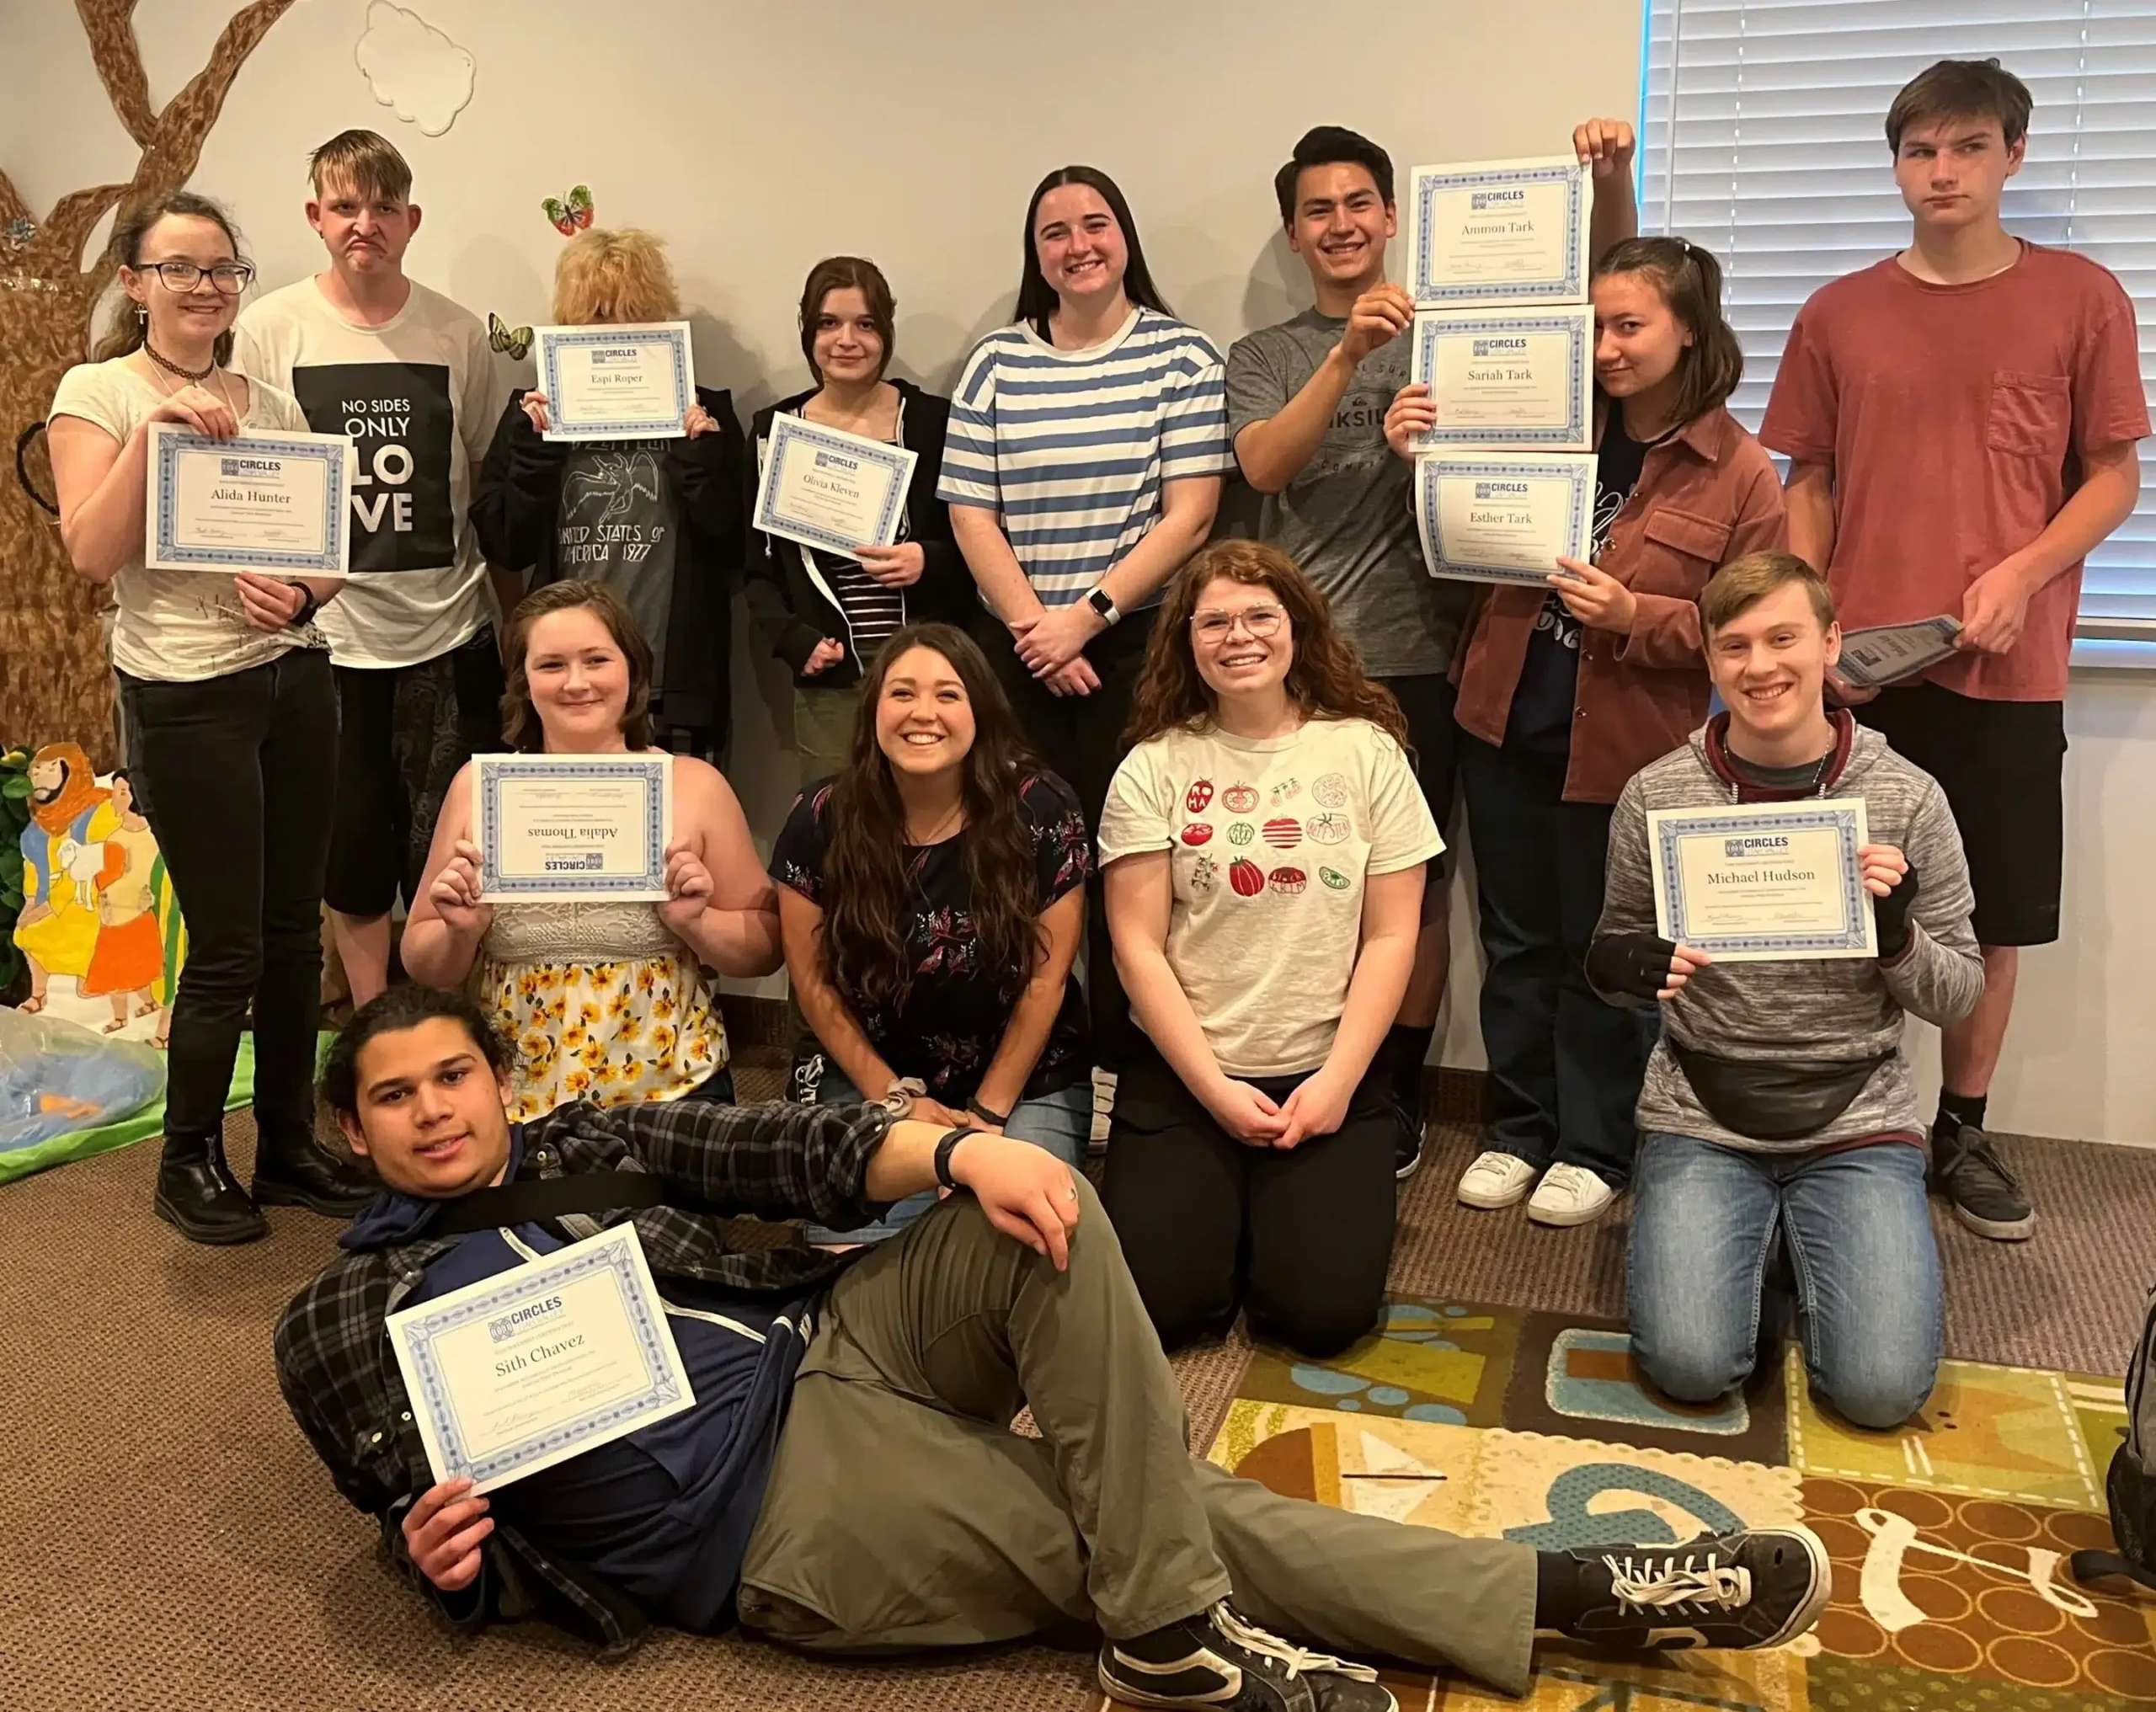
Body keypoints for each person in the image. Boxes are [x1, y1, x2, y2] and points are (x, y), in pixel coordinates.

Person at [276, 981, 1830, 1710]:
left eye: (455, 1074)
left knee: (1052, 1200)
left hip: (832, 1342)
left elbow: (779, 1154)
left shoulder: (584, 1133)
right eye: (396, 1095)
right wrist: (438, 1554)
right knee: (1149, 1509)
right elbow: (411, 1506)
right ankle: (1550, 1594)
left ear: (495, 1073)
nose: (436, 1109)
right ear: (353, 1129)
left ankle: (1170, 1631)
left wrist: (959, 1158)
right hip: (768, 1518)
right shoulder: (338, 1319)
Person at [1758, 58, 2148, 1242]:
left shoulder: (2083, 298)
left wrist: (2025, 573)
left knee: (1992, 919)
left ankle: (1962, 1128)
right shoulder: (1837, 312)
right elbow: (1807, 481)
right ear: (1898, 163)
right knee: (1834, 900)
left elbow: (2114, 475)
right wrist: (1812, 617)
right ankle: (1838, 1114)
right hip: (1860, 676)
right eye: (1921, 150)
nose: (1943, 171)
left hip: (2008, 675)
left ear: (2011, 157)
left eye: (1968, 147)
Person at [1225, 120, 1642, 1178]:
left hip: (1428, 659)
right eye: (1317, 209)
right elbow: (1267, 467)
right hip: (1297, 668)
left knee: (1413, 891)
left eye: (1358, 203)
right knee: (1300, 878)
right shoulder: (1268, 354)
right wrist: (1348, 357)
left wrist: (1609, 183)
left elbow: (1593, 309)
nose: (1340, 224)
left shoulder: (1460, 327)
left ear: (1392, 217)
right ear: (1292, 231)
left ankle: (1396, 1092)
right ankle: (1301, 1072)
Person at [1388, 232, 1787, 1229]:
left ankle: (1595, 1143)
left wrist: (1636, 618)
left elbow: (1750, 632)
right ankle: (1518, 1128)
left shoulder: (1738, 472)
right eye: (1595, 325)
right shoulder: (1548, 422)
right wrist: (1422, 461)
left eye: (1629, 325)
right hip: (1502, 722)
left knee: (1604, 952)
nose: (1606, 347)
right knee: (1515, 942)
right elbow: (1459, 535)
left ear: (1689, 329)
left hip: (1629, 754)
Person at [1588, 553, 1982, 1428]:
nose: (1759, 666)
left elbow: (1958, 993)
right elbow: (1609, 953)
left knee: (1879, 1393)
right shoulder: (1657, 794)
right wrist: (1618, 968)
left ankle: (1784, 1240)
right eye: (1734, 646)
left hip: (1856, 1118)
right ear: (1708, 658)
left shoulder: (1908, 798)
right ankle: (1761, 1244)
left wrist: (1897, 938)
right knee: (1692, 1366)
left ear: (1831, 641)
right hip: (1701, 1107)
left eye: (1782, 638)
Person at [47, 189, 369, 1244]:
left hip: (294, 678)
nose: (204, 287)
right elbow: (92, 552)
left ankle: (284, 1144)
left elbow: (325, 550)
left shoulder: (270, 399)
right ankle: (186, 1158)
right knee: (227, 943)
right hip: (184, 692)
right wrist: (157, 434)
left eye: (222, 269)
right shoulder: (97, 391)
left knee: (290, 932)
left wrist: (306, 594)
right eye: (179, 268)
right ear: (134, 283)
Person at [1096, 542, 1438, 1358]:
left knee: (1322, 1315)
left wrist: (1339, 1081)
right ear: (1185, 640)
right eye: (1212, 621)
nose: (1237, 636)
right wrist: (1213, 1089)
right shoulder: (1153, 765)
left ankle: (1265, 1217)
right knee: (1160, 1308)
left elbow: (1393, 935)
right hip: (1188, 1074)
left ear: (1298, 629)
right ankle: (1224, 1213)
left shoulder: (1367, 751)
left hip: (1326, 1074)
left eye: (1259, 616)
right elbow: (1135, 947)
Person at [941, 167, 1234, 1064]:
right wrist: (1039, 629)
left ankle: (1115, 1061)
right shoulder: (996, 362)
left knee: (1130, 863)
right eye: (1054, 233)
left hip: (1137, 646)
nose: (1078, 246)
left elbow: (1190, 511)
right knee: (1011, 860)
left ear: (1125, 236)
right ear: (1036, 256)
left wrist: (1089, 617)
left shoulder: (1181, 357)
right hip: (1019, 649)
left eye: (1094, 224)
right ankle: (1021, 1057)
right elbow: (969, 510)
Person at [232, 129, 507, 1010]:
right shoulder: (270, 328)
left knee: (450, 850)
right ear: (315, 217)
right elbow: (253, 477)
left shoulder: (459, 332)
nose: (365, 224)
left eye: (383, 206)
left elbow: (481, 475)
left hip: (447, 629)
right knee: (346, 854)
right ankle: (373, 1013)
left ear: (411, 219)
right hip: (327, 643)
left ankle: (446, 1016)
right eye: (345, 206)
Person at [400, 582, 779, 1119]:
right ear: (523, 682)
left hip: (672, 1082)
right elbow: (423, 963)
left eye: (597, 660)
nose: (577, 683)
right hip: (513, 1091)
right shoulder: (479, 788)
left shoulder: (694, 785)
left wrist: (697, 924)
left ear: (632, 670)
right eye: (551, 665)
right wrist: (461, 931)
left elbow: (765, 948)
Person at [770, 623, 1091, 1244]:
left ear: (980, 710)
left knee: (1021, 1234)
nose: (924, 713)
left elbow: (1047, 979)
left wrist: (989, 1117)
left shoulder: (1042, 807)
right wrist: (896, 1101)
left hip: (1021, 1074)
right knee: (849, 1252)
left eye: (948, 694)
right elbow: (811, 984)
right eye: (902, 694)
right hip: (870, 1070)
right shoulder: (819, 817)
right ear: (873, 712)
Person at [472, 227, 744, 758]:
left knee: (679, 835)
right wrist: (536, 449)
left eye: (634, 313)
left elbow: (733, 547)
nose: (617, 329)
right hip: (565, 679)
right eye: (599, 315)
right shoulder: (531, 415)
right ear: (571, 322)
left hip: (671, 679)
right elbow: (506, 546)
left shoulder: (704, 414)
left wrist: (699, 457)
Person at [744, 256, 969, 781]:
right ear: (808, 332)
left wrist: (928, 560)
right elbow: (757, 565)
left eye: (865, 324)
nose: (847, 340)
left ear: (885, 333)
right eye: (829, 323)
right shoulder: (773, 431)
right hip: (832, 677)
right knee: (839, 829)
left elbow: (984, 541)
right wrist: (793, 641)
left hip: (930, 674)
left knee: (937, 820)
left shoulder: (934, 422)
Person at [80, 771, 166, 1035]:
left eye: (121, 792)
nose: (115, 799)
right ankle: (136, 1010)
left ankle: (132, 1012)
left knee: (126, 966)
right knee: (126, 966)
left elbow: (118, 875)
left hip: (131, 911)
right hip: (128, 910)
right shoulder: (132, 836)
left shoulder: (135, 836)